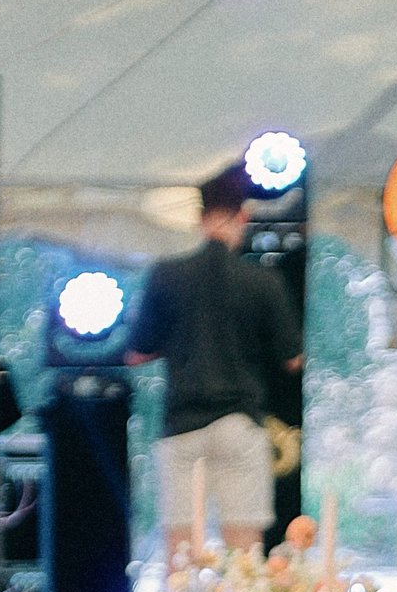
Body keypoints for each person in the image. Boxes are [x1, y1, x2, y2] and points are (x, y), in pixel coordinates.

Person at [128, 169, 302, 560]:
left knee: (182, 551)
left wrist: (177, 342)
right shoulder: (263, 282)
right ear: (242, 216)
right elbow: (292, 359)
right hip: (239, 423)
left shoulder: (166, 274)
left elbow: (136, 353)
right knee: (244, 551)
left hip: (182, 426)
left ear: (199, 216)